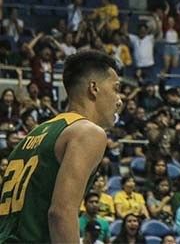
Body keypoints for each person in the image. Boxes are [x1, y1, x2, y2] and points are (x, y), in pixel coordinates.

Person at [0, 50, 122, 243]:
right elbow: (60, 213)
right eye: (116, 89)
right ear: (94, 88)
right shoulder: (88, 132)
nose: (119, 100)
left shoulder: (35, 134)